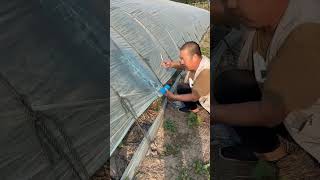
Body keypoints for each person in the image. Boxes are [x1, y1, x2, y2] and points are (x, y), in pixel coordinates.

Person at [212, 0, 320, 170]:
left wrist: (212, 113)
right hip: (285, 108)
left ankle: (281, 158)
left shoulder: (308, 33)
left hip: (308, 126)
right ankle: (267, 148)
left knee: (234, 95)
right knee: (231, 84)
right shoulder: (262, 13)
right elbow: (220, 11)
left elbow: (270, 114)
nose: (231, 5)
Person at [161, 41, 210, 113]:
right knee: (182, 88)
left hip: (208, 100)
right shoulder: (199, 60)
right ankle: (194, 109)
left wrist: (174, 97)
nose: (181, 61)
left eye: (183, 59)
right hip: (199, 89)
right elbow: (182, 65)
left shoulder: (205, 73)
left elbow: (194, 97)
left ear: (195, 57)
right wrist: (171, 64)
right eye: (181, 58)